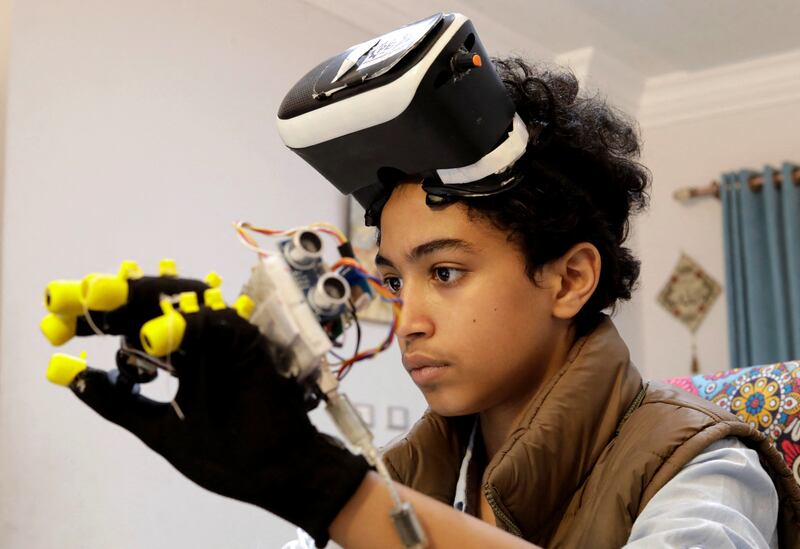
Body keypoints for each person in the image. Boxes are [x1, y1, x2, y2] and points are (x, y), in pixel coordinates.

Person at [52, 12, 800, 549]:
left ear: (569, 278)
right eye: (393, 281)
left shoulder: (707, 466)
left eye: (445, 271)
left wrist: (337, 495)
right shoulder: (410, 470)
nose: (407, 318)